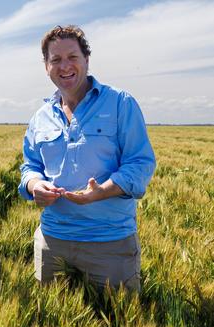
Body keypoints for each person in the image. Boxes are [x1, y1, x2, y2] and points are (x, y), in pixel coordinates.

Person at [19, 25, 156, 292]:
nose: (64, 66)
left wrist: (101, 192)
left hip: (110, 243)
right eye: (55, 59)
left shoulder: (120, 103)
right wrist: (35, 186)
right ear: (46, 66)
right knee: (53, 325)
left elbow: (140, 162)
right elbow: (30, 166)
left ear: (87, 60)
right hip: (52, 241)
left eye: (72, 57)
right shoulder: (40, 117)